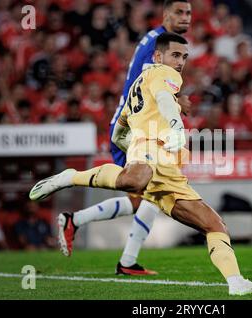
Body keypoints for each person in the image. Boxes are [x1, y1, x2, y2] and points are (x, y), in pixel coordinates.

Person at [30, 32, 252, 296]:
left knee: (214, 225)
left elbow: (118, 133)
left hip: (166, 170)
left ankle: (236, 282)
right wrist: (173, 127)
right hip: (151, 150)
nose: (180, 62)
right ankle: (69, 177)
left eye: (184, 56)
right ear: (158, 56)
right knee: (133, 180)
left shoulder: (140, 84)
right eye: (175, 55)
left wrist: (130, 145)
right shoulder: (162, 75)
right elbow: (163, 99)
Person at [44, 0, 193, 276]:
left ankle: (124, 258)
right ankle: (76, 219)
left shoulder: (158, 41)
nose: (185, 18)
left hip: (140, 126)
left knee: (151, 195)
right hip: (134, 129)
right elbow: (152, 84)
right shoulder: (157, 46)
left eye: (189, 13)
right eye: (179, 12)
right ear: (165, 14)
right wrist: (178, 102)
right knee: (147, 192)